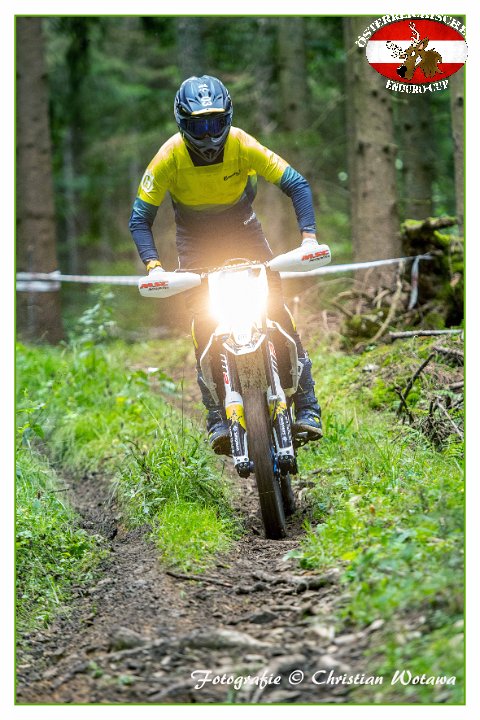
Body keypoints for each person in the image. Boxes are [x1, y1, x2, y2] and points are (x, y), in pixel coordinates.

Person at [129, 75, 323, 455]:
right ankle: (217, 414)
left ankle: (307, 404)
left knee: (276, 309)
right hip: (195, 240)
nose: (208, 136)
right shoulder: (168, 156)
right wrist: (154, 267)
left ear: (229, 119)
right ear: (182, 125)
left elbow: (296, 183)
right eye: (198, 127)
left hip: (242, 230)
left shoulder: (242, 143)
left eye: (216, 123)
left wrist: (309, 238)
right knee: (203, 321)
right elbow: (140, 219)